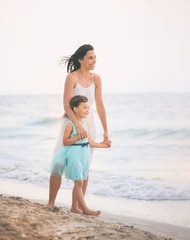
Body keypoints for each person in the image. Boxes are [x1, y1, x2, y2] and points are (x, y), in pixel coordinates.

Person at [47, 44, 111, 207]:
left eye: (95, 57)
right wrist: (78, 124)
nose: (94, 60)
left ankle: (76, 207)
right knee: (58, 163)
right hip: (70, 124)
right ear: (80, 59)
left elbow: (100, 106)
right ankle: (51, 202)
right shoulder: (72, 77)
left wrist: (105, 131)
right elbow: (67, 105)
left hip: (89, 125)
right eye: (90, 57)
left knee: (84, 165)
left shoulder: (96, 79)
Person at [50, 95, 111, 216]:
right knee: (78, 183)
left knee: (81, 182)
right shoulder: (70, 125)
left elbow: (89, 142)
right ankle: (85, 209)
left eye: (88, 108)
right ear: (75, 109)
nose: (87, 110)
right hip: (74, 155)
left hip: (84, 155)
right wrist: (78, 136)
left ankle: (75, 207)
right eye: (84, 108)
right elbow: (65, 142)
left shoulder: (85, 124)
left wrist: (104, 145)